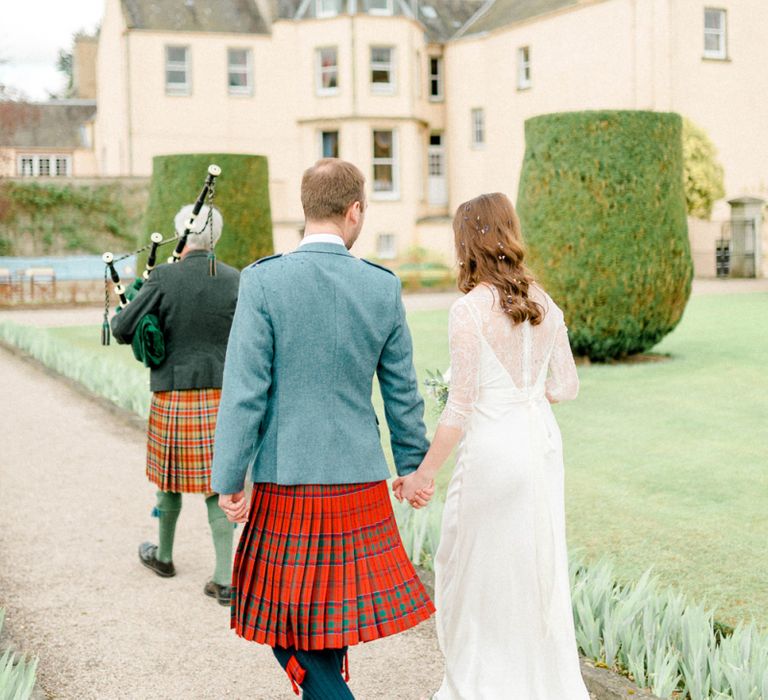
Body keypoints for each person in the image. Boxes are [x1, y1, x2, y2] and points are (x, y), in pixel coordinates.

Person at [211, 158, 435, 698]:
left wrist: (229, 477)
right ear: (355, 211)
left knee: (284, 625)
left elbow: (245, 390)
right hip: (358, 476)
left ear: (305, 209)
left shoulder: (264, 280)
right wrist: (412, 466)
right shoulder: (381, 286)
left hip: (288, 476)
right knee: (327, 620)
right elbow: (401, 390)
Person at [395, 193, 589, 699]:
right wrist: (530, 395)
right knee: (534, 565)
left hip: (494, 451)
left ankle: (486, 684)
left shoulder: (470, 310)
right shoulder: (546, 303)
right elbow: (567, 386)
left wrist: (424, 473)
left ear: (467, 243)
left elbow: (460, 407)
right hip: (540, 445)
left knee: (475, 570)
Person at [111, 204, 240, 606]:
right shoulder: (238, 279)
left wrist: (135, 297)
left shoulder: (164, 277)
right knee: (217, 484)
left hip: (173, 393)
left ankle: (164, 558)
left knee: (169, 478)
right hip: (223, 395)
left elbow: (121, 327)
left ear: (181, 237)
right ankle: (224, 579)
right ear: (215, 237)